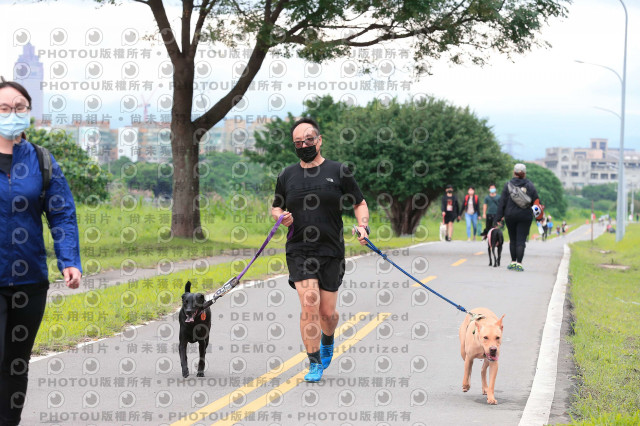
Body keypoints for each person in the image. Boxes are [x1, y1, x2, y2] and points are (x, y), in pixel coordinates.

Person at [0, 79, 82, 425]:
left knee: (16, 364)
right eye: (4, 108)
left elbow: (61, 213)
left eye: (19, 108)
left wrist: (69, 260)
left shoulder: (41, 160)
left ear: (29, 112)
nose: (12, 114)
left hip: (30, 282)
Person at [271, 117, 369, 383]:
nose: (303, 146)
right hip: (299, 249)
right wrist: (280, 217)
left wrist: (363, 226)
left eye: (308, 140)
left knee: (327, 314)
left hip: (331, 250)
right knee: (309, 302)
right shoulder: (287, 175)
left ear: (319, 140)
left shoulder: (338, 171)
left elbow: (359, 202)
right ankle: (314, 361)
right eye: (298, 143)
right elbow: (276, 206)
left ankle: (328, 337)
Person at [496, 163, 541, 272]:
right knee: (521, 240)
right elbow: (536, 202)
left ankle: (513, 262)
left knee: (513, 239)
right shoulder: (530, 185)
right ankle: (519, 264)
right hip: (525, 216)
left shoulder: (508, 185)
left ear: (514, 172)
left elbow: (502, 203)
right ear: (524, 173)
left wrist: (498, 217)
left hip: (510, 215)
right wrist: (539, 218)